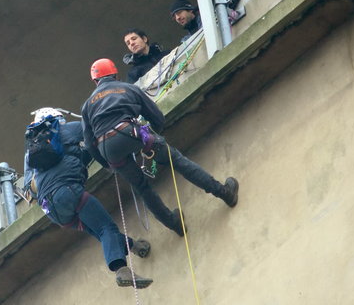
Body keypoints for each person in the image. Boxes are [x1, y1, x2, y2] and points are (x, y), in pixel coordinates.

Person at [81, 59, 239, 236]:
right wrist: (152, 140)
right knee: (177, 160)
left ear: (95, 81)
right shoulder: (129, 88)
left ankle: (174, 224)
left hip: (107, 148)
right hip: (129, 132)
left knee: (141, 187)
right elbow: (158, 119)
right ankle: (224, 193)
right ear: (115, 74)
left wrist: (107, 164)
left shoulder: (87, 106)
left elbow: (89, 144)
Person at [23, 107, 153, 289]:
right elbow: (99, 131)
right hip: (68, 191)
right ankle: (121, 269)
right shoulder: (69, 129)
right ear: (57, 119)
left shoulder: (30, 154)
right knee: (106, 227)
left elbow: (29, 190)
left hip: (52, 211)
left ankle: (134, 246)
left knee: (100, 230)